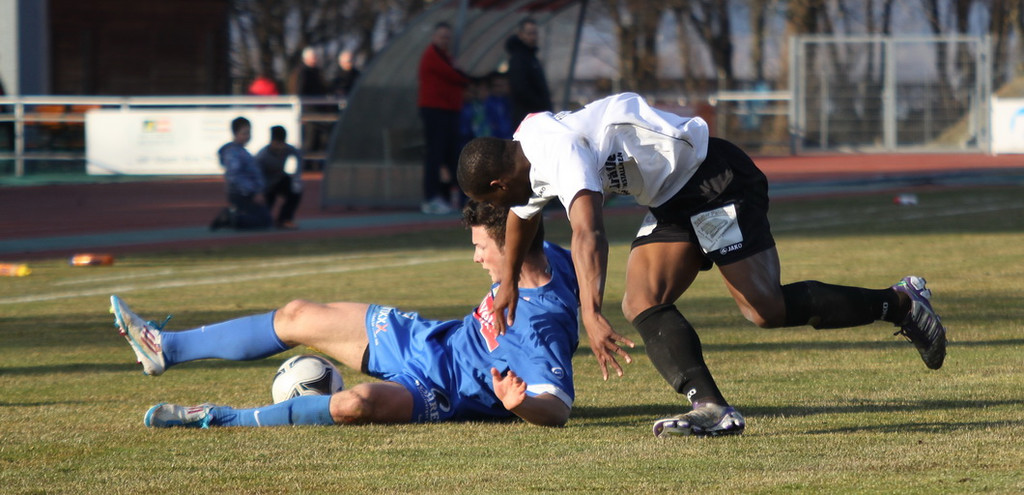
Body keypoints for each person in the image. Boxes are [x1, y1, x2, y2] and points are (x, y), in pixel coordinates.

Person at [456, 92, 948, 437]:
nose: (503, 209)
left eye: (493, 201)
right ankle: (711, 407)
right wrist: (507, 286)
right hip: (673, 199)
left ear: (499, 184)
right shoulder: (524, 149)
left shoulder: (557, 152)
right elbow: (522, 216)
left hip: (714, 182)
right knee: (642, 300)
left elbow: (588, 232)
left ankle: (902, 305)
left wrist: (590, 310)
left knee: (765, 309)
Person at [111, 200, 580, 428]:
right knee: (297, 314)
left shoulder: (541, 328)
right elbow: (583, 253)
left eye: (481, 248)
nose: (476, 258)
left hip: (440, 390)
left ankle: (221, 418)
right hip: (424, 339)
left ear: (512, 247)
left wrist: (521, 404)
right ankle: (165, 348)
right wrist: (595, 317)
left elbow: (557, 409)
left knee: (354, 404)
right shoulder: (546, 255)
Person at [418, 22, 471, 215]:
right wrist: (464, 76)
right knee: (435, 155)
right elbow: (455, 76)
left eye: (447, 37)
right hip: (435, 110)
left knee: (450, 155)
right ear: (434, 37)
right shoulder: (432, 56)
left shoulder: (447, 57)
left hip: (448, 110)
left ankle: (447, 196)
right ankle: (430, 198)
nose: (445, 40)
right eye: (441, 36)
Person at [210, 117, 272, 231]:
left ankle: (234, 217)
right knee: (264, 221)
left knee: (266, 220)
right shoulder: (232, 153)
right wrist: (252, 193)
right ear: (235, 133)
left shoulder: (243, 151)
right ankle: (231, 217)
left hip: (248, 192)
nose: (247, 136)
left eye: (249, 133)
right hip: (241, 194)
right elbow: (235, 176)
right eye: (244, 133)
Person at [505, 18, 552, 129]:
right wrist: (541, 105)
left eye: (535, 33)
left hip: (535, 115)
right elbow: (520, 88)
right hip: (527, 116)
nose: (533, 37)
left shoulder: (531, 57)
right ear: (521, 35)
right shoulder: (519, 58)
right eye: (529, 33)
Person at [255, 125, 303, 229]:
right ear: (272, 141)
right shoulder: (262, 156)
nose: (280, 147)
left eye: (282, 144)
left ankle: (284, 219)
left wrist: (297, 176)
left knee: (295, 190)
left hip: (280, 180)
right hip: (266, 186)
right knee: (262, 221)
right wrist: (259, 192)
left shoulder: (287, 149)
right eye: (278, 144)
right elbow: (256, 176)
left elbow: (298, 156)